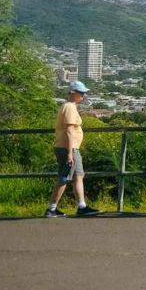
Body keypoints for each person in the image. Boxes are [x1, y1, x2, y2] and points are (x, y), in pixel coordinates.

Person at [45, 81, 100, 217]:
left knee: (78, 176)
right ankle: (51, 208)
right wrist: (70, 153)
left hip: (71, 148)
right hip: (68, 148)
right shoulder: (69, 107)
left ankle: (82, 206)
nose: (83, 95)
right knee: (64, 177)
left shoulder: (70, 106)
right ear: (73, 93)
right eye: (81, 93)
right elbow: (69, 130)